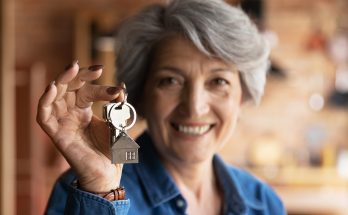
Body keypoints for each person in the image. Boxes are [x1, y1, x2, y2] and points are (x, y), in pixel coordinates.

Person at [37, 0, 286, 214]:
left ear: (242, 97)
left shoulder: (264, 203)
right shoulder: (84, 190)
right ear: (141, 94)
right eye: (171, 81)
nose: (195, 108)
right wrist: (100, 191)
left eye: (218, 81)